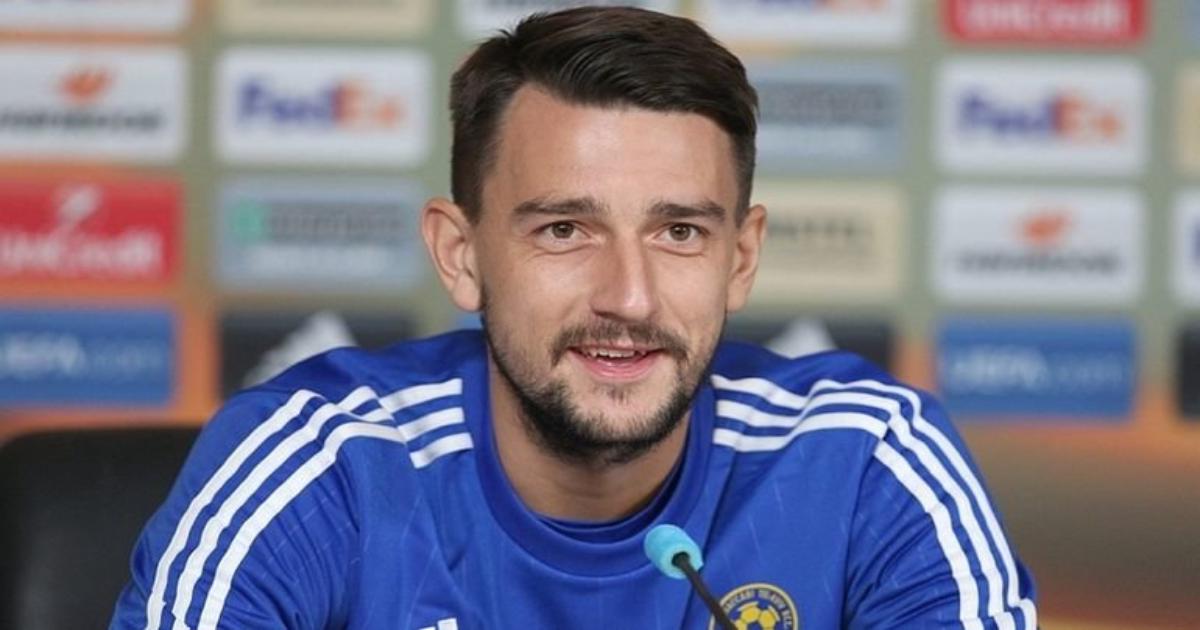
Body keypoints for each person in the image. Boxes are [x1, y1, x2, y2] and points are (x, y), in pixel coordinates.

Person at [112, 6, 1037, 629]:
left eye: (679, 232)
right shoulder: (319, 460)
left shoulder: (867, 455)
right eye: (564, 230)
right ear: (461, 254)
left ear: (741, 257)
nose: (628, 297)